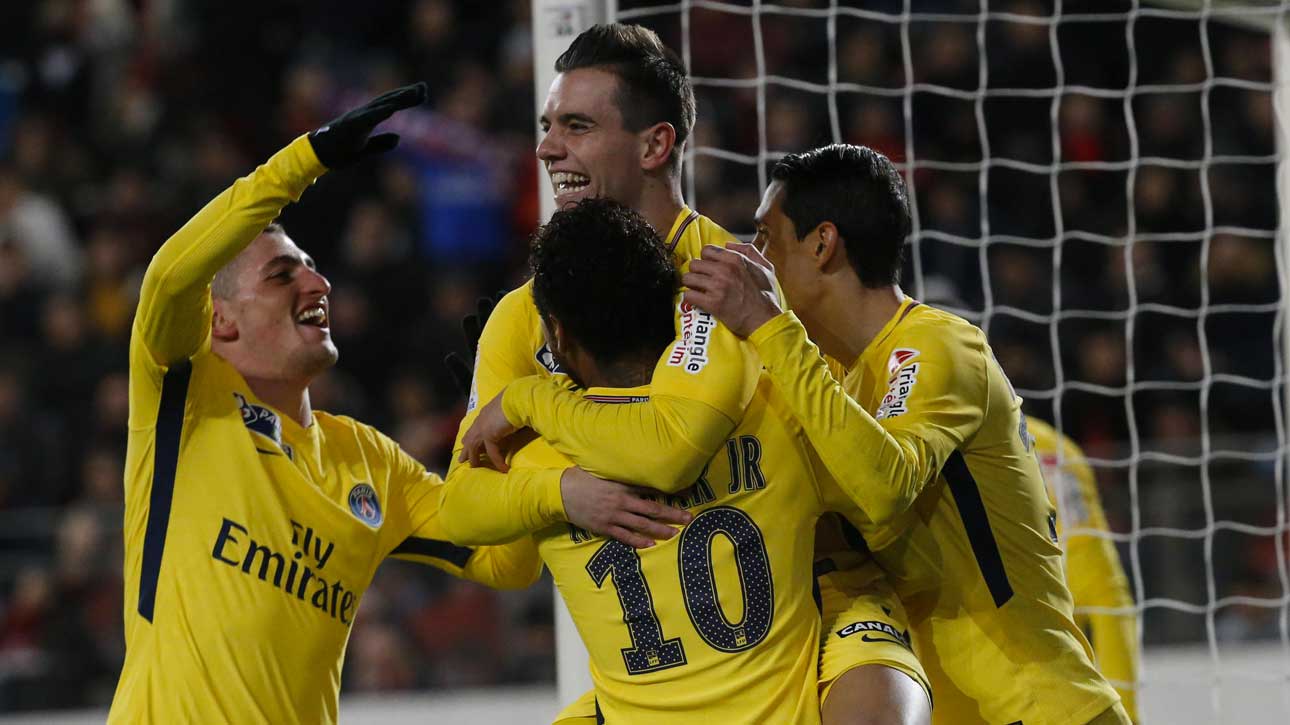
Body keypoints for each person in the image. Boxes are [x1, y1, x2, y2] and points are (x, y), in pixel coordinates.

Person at [105, 83, 685, 723]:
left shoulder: (368, 462)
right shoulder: (183, 397)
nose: (318, 282)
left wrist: (507, 430)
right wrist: (304, 163)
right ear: (220, 321)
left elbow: (505, 561)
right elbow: (169, 279)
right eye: (282, 275)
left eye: (312, 267)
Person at [453, 23, 929, 724]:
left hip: (803, 615)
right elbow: (473, 515)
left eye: (577, 126)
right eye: (547, 126)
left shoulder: (745, 286)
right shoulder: (523, 317)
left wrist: (532, 405)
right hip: (659, 663)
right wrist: (562, 491)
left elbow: (676, 453)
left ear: (655, 145)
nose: (548, 148)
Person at [681, 143, 1129, 724]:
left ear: (822, 243)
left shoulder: (939, 345)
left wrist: (770, 327)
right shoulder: (830, 380)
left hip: (1039, 709)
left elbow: (883, 485)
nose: (755, 258)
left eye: (766, 237)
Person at [1029, 416, 1141, 722]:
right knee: (1122, 702)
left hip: (1043, 578)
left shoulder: (996, 434)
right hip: (1097, 570)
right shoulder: (1063, 445)